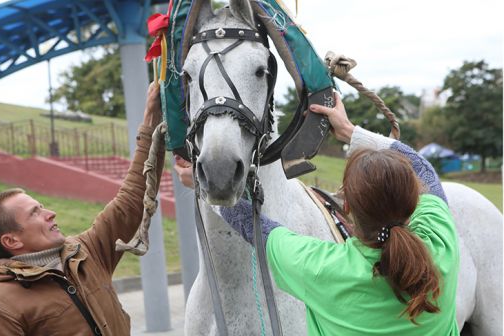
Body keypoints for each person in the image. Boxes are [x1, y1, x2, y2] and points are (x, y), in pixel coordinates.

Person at [174, 94, 459, 335]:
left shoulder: (321, 268)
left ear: (346, 206)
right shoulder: (440, 245)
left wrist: (205, 184)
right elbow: (423, 169)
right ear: (414, 200)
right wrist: (351, 131)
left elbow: (252, 226)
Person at [0, 82, 164, 336]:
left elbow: (131, 201)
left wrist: (152, 127)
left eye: (41, 207)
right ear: (11, 240)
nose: (50, 213)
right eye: (35, 213)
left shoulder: (86, 252)